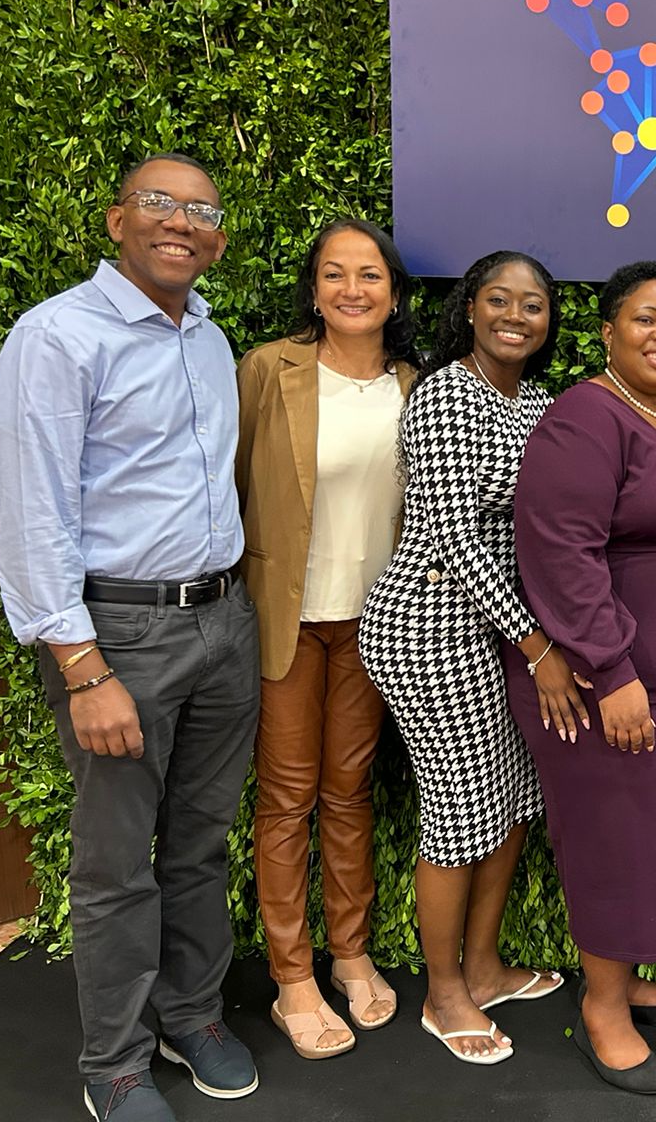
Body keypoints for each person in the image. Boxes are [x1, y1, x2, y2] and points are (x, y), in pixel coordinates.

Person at [0, 153, 260, 1122]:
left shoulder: (210, 341)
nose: (181, 221)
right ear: (117, 221)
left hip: (224, 622)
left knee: (200, 842)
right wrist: (80, 665)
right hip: (120, 635)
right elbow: (32, 518)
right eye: (159, 203)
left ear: (218, 239)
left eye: (201, 210)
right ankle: (113, 1058)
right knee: (117, 861)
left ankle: (190, 1014)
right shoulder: (57, 337)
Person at [505, 261, 656, 1096]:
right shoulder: (583, 416)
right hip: (614, 683)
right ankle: (602, 1010)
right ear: (608, 332)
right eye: (645, 319)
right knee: (609, 837)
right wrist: (611, 668)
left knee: (653, 834)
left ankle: (628, 977)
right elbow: (561, 552)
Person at [357, 251, 584, 1066]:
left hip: (504, 629)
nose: (516, 315)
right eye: (499, 299)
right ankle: (443, 991)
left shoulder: (541, 402)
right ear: (472, 307)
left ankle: (484, 968)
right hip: (430, 624)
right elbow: (453, 537)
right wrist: (541, 648)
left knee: (514, 797)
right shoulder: (447, 392)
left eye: (534, 303)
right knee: (459, 810)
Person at [235, 220, 419, 1059]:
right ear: (313, 288)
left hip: (374, 625)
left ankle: (350, 954)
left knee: (349, 796)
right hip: (290, 620)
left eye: (370, 274)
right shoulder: (270, 371)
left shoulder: (416, 386)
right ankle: (292, 978)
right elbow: (227, 488)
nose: (353, 288)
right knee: (287, 799)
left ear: (394, 291)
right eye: (335, 274)